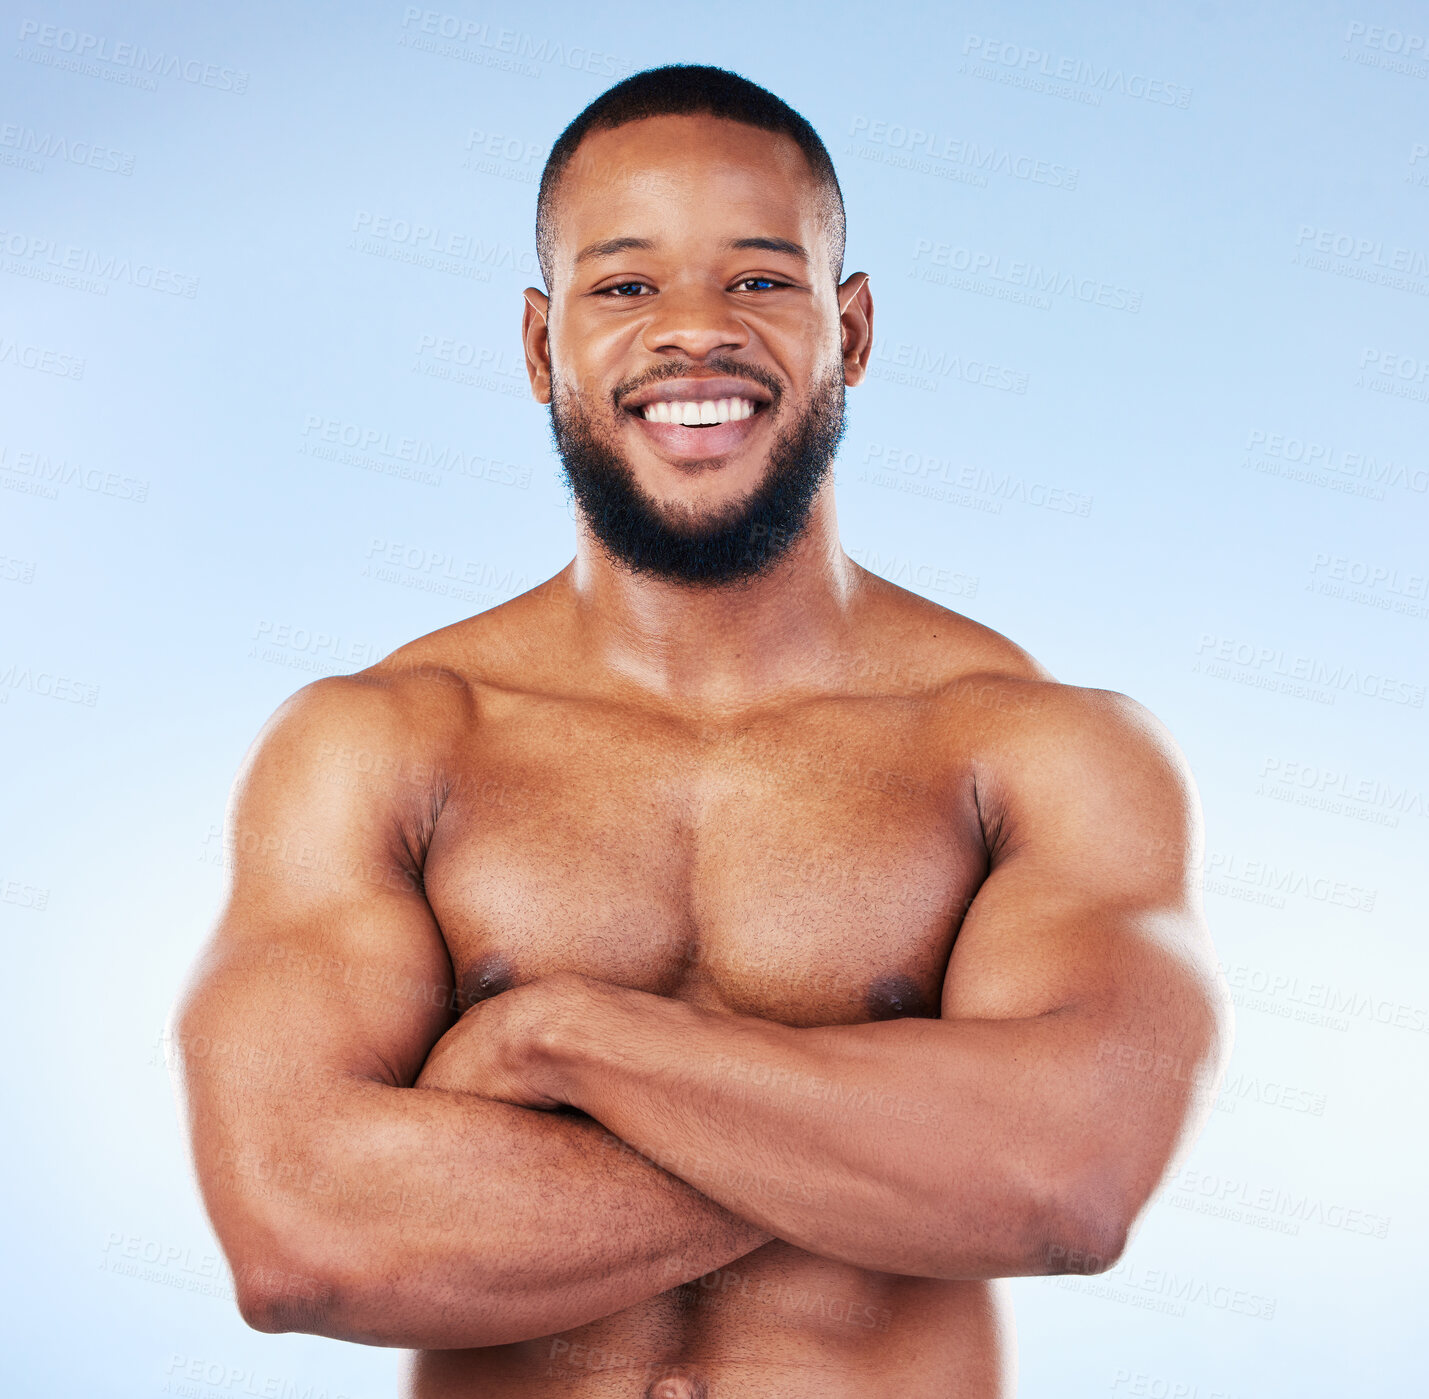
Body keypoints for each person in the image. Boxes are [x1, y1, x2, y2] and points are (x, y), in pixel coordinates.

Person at [173, 64, 1229, 1398]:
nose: (693, 334)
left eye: (757, 281)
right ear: (535, 345)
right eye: (623, 287)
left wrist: (559, 1040)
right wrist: (892, 1149)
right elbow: (304, 1244)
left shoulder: (1033, 753)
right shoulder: (380, 747)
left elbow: (1058, 1187)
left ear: (848, 331)